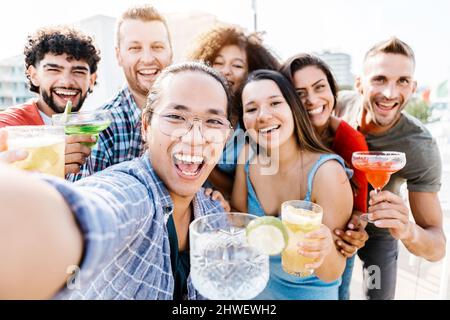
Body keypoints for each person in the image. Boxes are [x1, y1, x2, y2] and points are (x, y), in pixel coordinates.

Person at [0, 61, 234, 300]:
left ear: (226, 135)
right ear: (145, 126)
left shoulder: (213, 214)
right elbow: (86, 212)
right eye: (175, 116)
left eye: (213, 121)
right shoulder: (132, 192)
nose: (195, 138)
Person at [335, 37, 445, 300]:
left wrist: (407, 229)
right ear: (360, 84)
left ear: (413, 87)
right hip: (335, 223)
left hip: (379, 235)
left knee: (378, 296)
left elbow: (437, 246)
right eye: (380, 79)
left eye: (403, 81)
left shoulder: (420, 146)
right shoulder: (339, 105)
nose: (390, 93)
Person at [231, 70, 353, 299]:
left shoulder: (327, 174)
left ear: (293, 109)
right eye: (251, 109)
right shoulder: (247, 158)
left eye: (275, 103)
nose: (263, 116)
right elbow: (239, 223)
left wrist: (324, 248)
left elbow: (333, 272)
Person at [280, 53, 369, 300]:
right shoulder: (278, 136)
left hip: (334, 246)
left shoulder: (350, 140)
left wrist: (354, 231)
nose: (312, 99)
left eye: (320, 87)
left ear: (332, 90)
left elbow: (360, 210)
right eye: (299, 93)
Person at [69, 4, 173, 181]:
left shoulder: (189, 116)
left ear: (171, 52)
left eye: (157, 47)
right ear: (119, 55)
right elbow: (85, 204)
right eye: (135, 48)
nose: (147, 59)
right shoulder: (101, 130)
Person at [187, 25, 280, 198]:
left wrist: (205, 160)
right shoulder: (191, 111)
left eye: (237, 65)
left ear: (250, 72)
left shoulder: (254, 121)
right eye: (218, 63)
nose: (226, 71)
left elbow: (242, 188)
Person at [0, 26, 101, 176]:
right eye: (53, 70)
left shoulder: (98, 130)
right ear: (33, 75)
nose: (67, 82)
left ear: (92, 80)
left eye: (78, 72)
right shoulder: (9, 126)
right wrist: (51, 165)